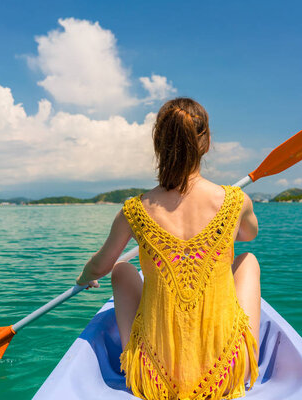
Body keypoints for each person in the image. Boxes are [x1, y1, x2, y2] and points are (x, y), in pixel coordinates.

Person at [76, 97, 261, 400]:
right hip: (226, 376)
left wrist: (84, 277)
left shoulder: (134, 210)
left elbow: (101, 265)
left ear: (158, 144)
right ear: (207, 142)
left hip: (155, 381)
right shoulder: (236, 201)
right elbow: (249, 235)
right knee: (248, 260)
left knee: (121, 268)